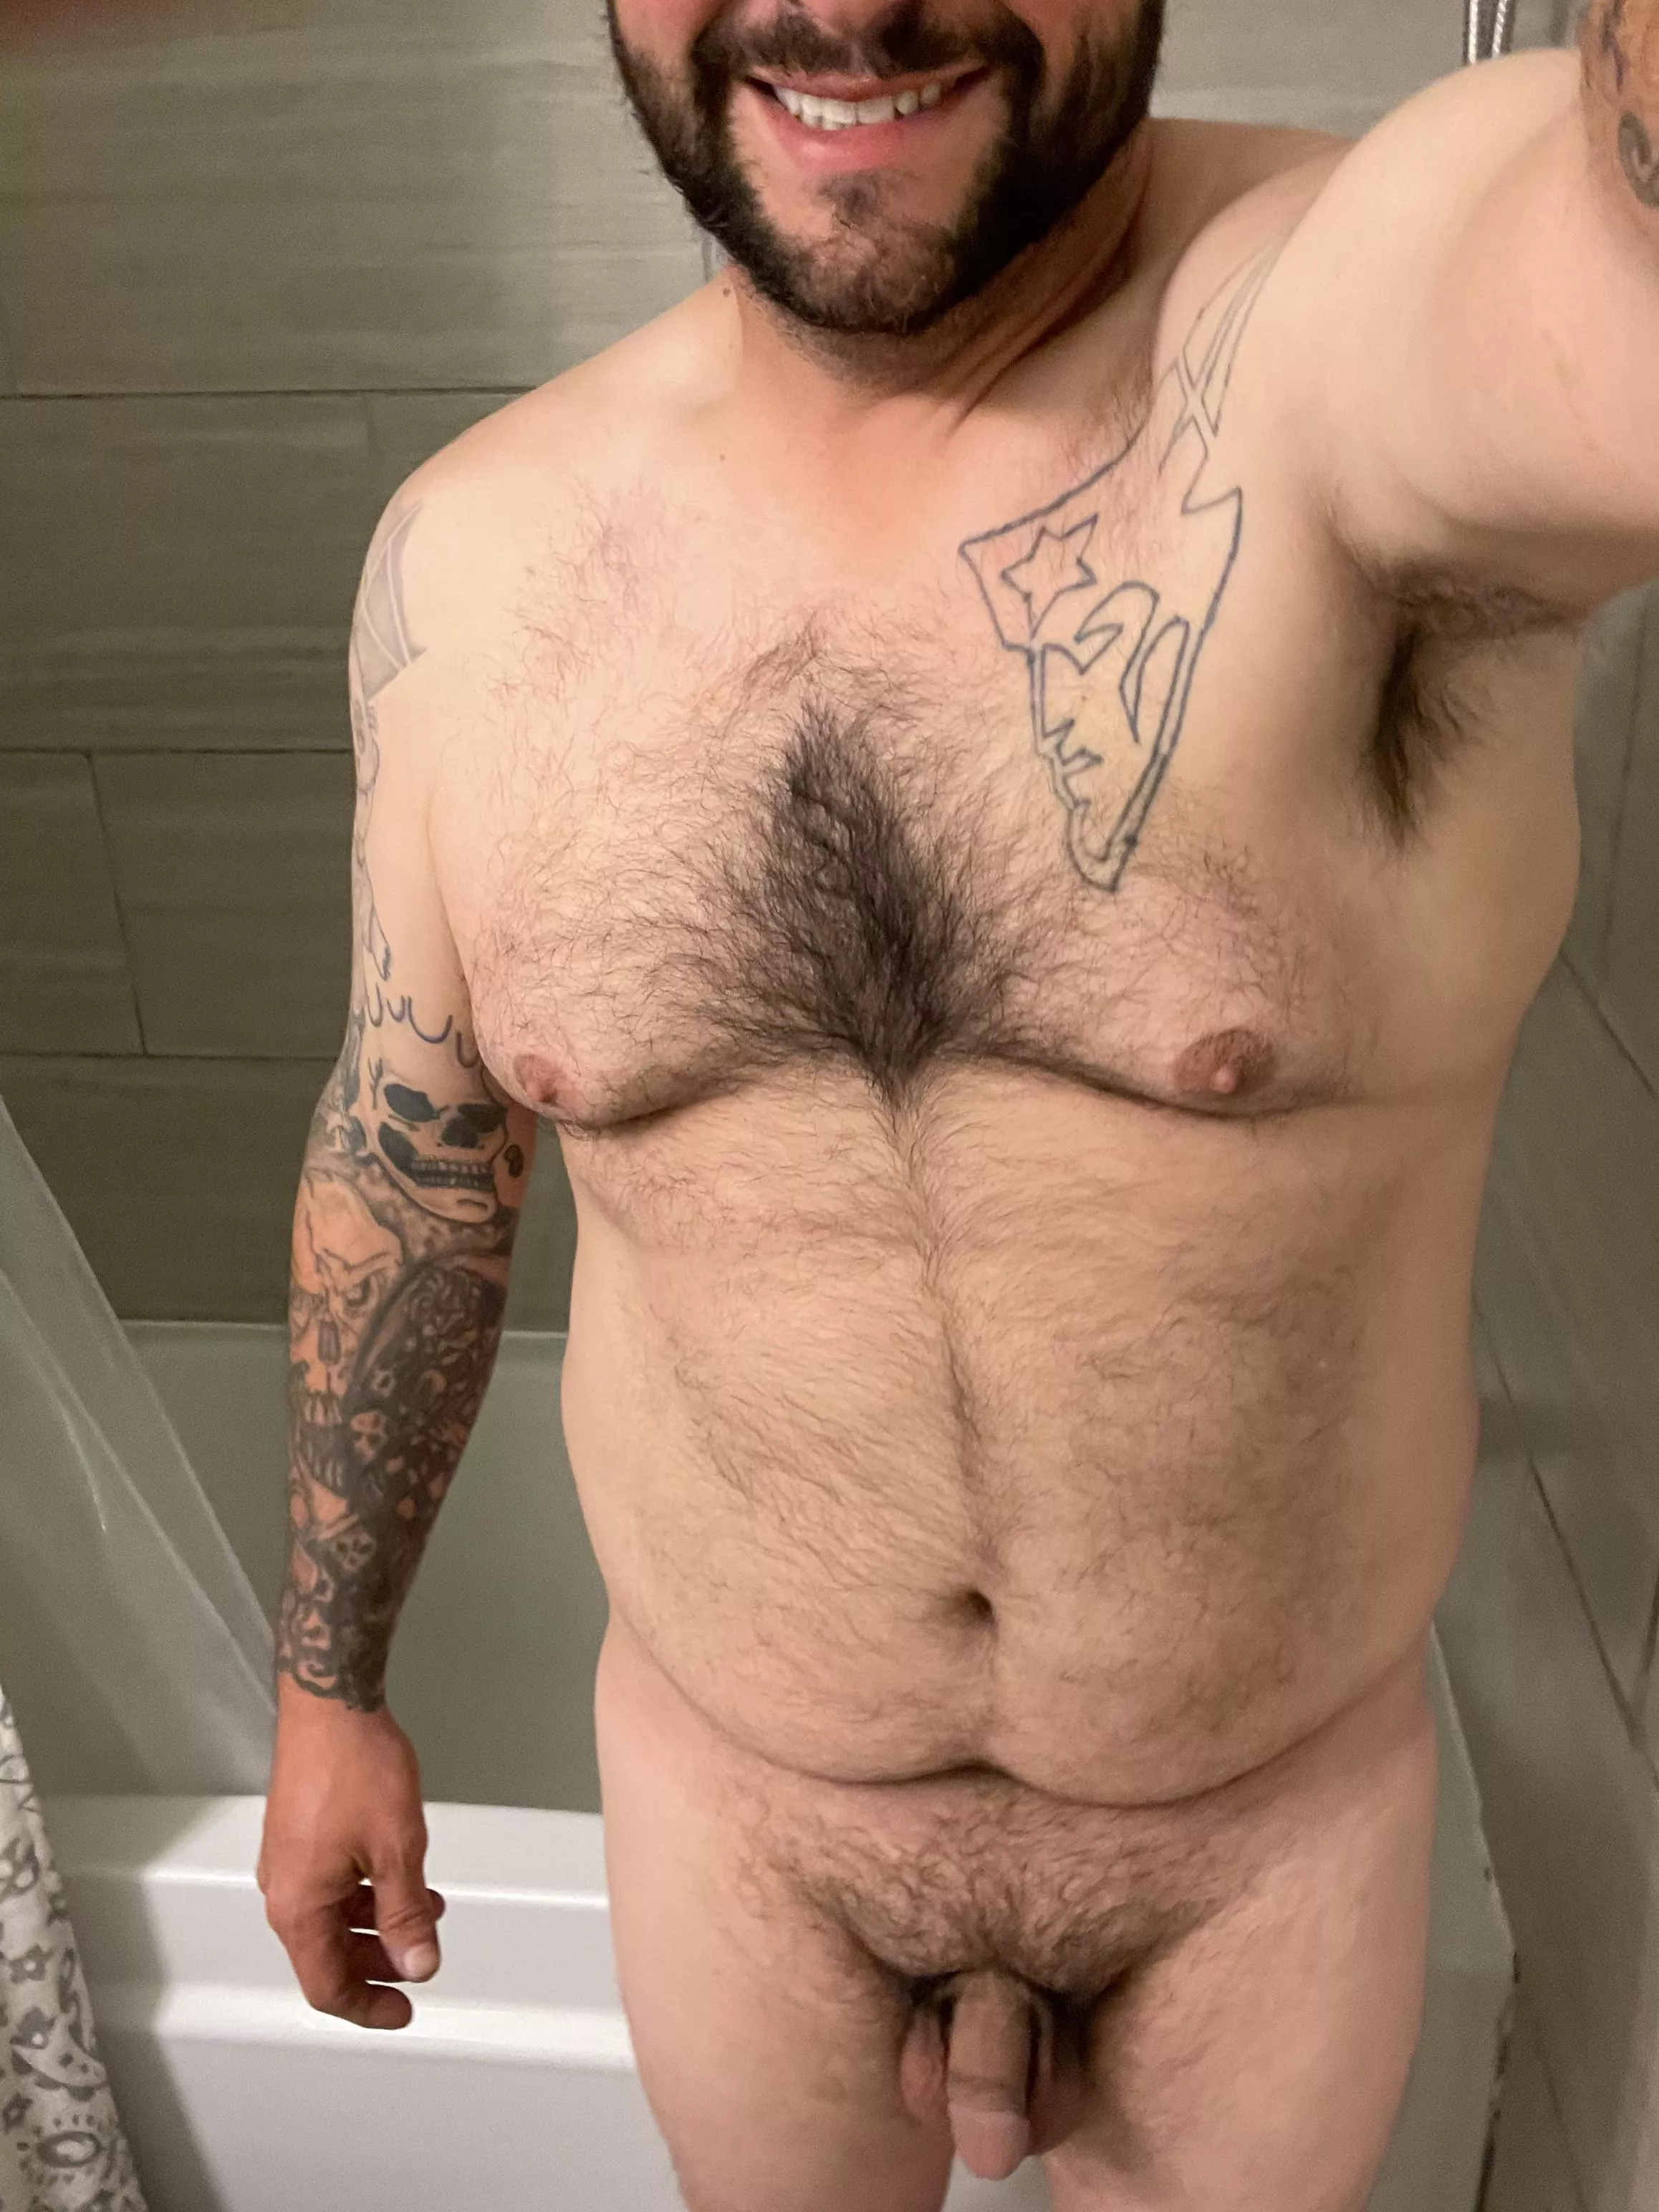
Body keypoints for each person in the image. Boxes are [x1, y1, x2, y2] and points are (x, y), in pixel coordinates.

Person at [256, 0, 1658, 2203]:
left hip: (1247, 1839)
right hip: (746, 1817)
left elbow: (1613, 274)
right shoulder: (472, 560)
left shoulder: (1345, 351)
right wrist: (327, 1689)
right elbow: (409, 1159)